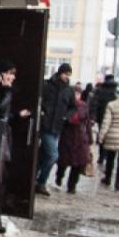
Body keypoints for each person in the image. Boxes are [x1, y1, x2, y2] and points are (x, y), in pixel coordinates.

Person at [0, 59, 32, 233]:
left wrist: (17, 115)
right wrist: (5, 90)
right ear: (1, 74)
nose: (12, 77)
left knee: (1, 178)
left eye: (13, 74)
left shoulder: (7, 92)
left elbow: (4, 116)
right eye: (10, 73)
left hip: (3, 138)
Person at [35, 63, 76, 196]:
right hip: (46, 126)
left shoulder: (69, 90)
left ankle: (34, 178)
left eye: (69, 75)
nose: (67, 77)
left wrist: (66, 117)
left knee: (44, 155)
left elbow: (73, 107)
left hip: (57, 127)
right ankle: (41, 182)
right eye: (65, 74)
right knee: (53, 155)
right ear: (60, 73)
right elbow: (39, 101)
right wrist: (42, 113)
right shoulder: (48, 86)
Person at [53, 83, 93, 194]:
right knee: (63, 162)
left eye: (78, 93)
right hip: (67, 137)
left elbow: (87, 123)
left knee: (78, 164)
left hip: (80, 139)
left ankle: (72, 186)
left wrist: (90, 139)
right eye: (74, 93)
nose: (76, 95)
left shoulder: (84, 106)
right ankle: (59, 178)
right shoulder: (65, 105)